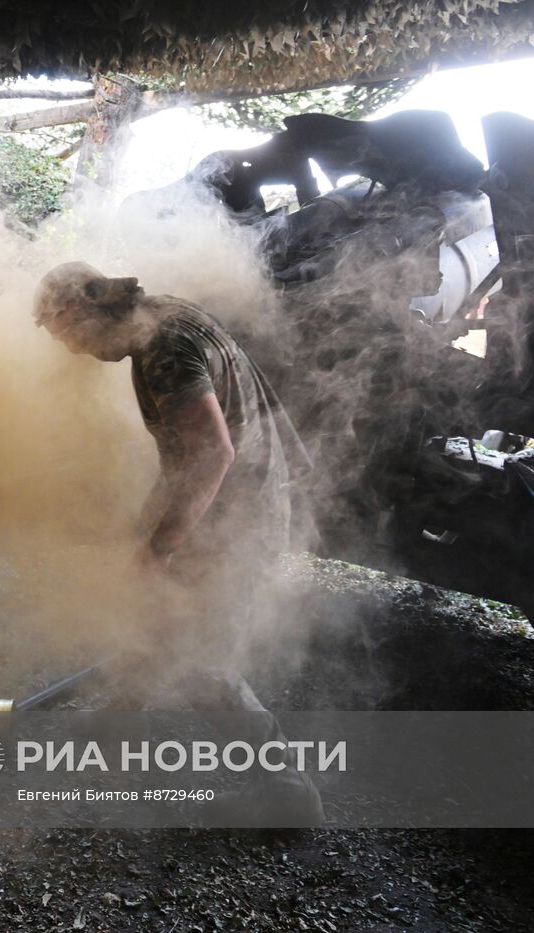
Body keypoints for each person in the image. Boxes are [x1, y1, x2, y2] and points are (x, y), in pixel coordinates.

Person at [32, 261, 323, 827]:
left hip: (238, 515)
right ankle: (118, 726)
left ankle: (290, 795)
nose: (69, 350)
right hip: (231, 501)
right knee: (152, 610)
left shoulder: (163, 348)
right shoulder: (163, 316)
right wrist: (148, 526)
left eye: (61, 333)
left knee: (201, 661)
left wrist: (162, 543)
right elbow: (190, 451)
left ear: (78, 310)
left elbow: (214, 452)